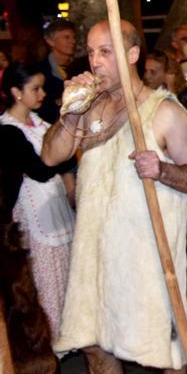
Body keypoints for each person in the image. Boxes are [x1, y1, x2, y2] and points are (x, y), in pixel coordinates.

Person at [42, 19, 187, 373]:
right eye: (91, 52)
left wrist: (162, 171)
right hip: (94, 257)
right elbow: (51, 157)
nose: (95, 61)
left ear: (132, 54)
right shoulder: (88, 107)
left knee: (164, 353)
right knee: (93, 344)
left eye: (106, 51)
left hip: (147, 261)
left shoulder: (164, 111)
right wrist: (70, 112)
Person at [0, 63, 76, 339]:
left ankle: (71, 334)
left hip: (57, 207)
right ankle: (48, 342)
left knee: (67, 274)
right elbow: (41, 170)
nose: (42, 93)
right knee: (46, 283)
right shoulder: (8, 131)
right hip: (34, 213)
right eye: (36, 88)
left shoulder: (41, 121)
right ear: (16, 92)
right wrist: (62, 158)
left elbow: (63, 157)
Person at [35, 19, 77, 123]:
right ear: (50, 41)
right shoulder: (41, 72)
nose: (73, 41)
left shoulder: (80, 67)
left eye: (74, 37)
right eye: (66, 37)